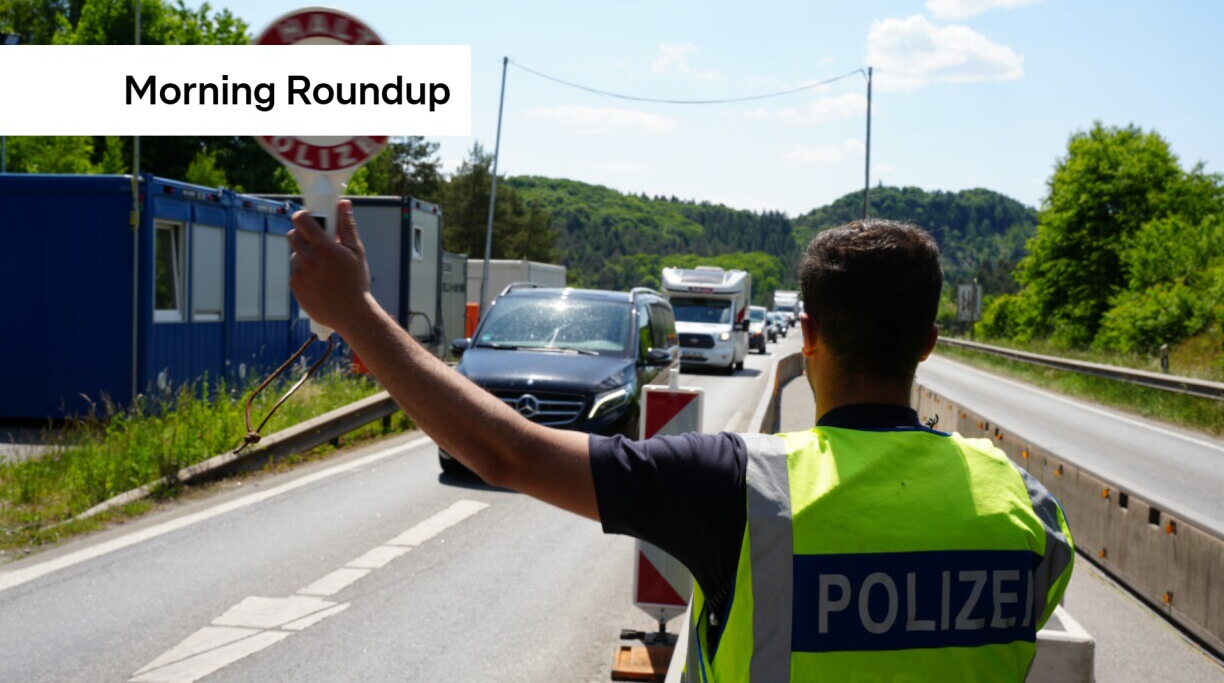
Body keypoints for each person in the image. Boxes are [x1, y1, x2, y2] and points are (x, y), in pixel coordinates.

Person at [287, 204, 1074, 682]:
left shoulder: (745, 488)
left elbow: (510, 454)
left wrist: (357, 315)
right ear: (930, 342)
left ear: (807, 334)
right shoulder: (1027, 512)